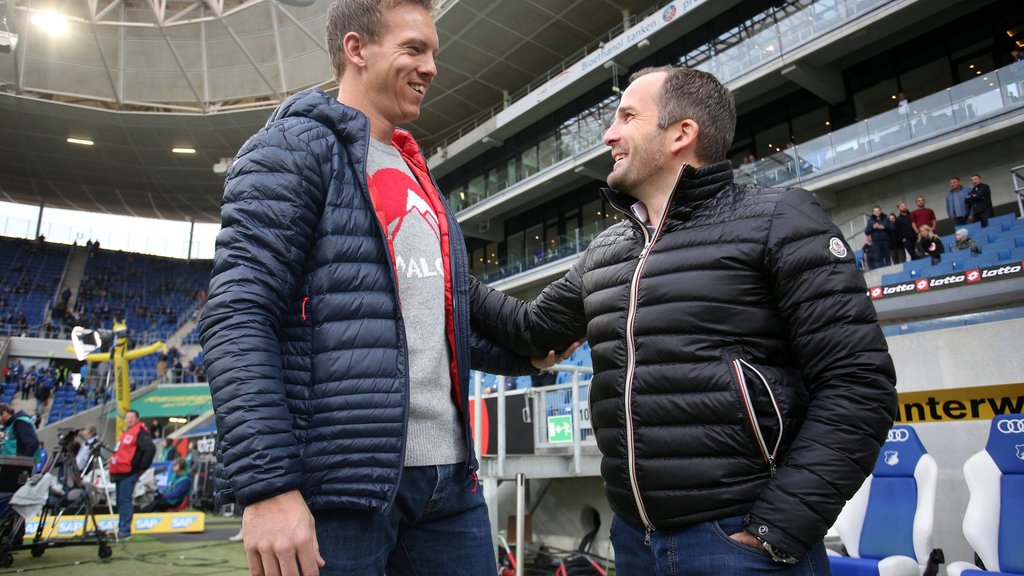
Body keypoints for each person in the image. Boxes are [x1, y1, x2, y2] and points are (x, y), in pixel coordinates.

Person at [469, 66, 898, 576]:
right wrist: (441, 258)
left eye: (627, 117)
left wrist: (778, 529)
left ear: (681, 133)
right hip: (634, 540)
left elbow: (859, 384)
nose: (609, 135)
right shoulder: (606, 251)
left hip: (739, 542)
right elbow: (530, 330)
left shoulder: (779, 219)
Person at [199, 1, 567, 574]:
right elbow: (237, 316)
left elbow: (435, 321)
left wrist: (530, 355)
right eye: (413, 49)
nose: (431, 67)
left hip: (449, 483)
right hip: (340, 492)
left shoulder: (413, 167)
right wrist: (268, 487)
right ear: (356, 49)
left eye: (434, 53)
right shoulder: (290, 149)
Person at [109, 409, 156, 541]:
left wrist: (141, 468)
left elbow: (150, 449)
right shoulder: (127, 433)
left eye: (132, 418)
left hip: (129, 472)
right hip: (120, 472)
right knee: (121, 501)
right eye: (127, 417)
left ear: (137, 419)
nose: (129, 420)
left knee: (125, 501)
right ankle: (122, 529)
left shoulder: (139, 432)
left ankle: (125, 531)